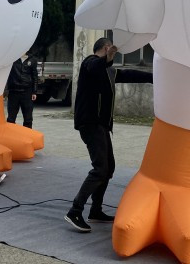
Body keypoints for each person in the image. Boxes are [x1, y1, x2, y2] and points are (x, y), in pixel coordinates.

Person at [64, 37, 153, 233]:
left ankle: (96, 210)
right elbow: (95, 67)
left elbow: (129, 74)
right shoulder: (90, 63)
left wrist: (155, 77)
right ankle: (75, 211)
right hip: (90, 123)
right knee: (100, 168)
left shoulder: (108, 70)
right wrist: (108, 58)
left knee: (108, 167)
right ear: (106, 48)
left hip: (101, 126)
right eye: (110, 49)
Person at [5, 52, 38, 129]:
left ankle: (28, 136)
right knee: (11, 118)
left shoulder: (32, 60)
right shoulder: (12, 58)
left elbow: (35, 76)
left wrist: (34, 92)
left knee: (28, 118)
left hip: (27, 92)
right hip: (14, 91)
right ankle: (10, 136)